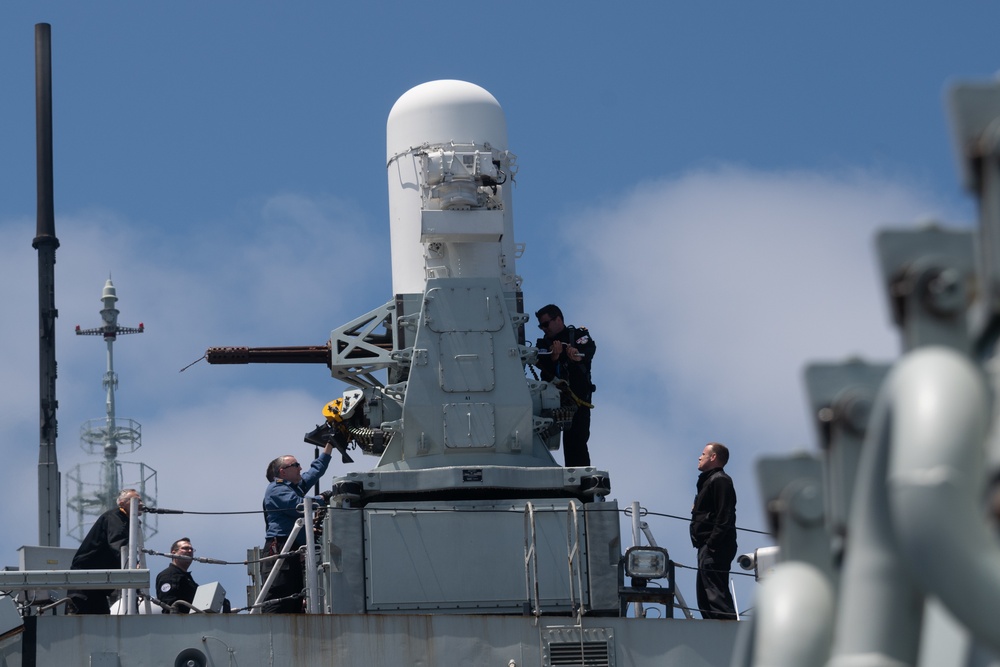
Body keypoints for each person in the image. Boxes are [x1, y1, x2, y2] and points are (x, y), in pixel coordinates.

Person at [261, 441, 335, 613]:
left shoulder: (293, 487)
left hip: (293, 552)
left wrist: (329, 446)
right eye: (296, 465)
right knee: (278, 597)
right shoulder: (276, 489)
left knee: (294, 597)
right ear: (282, 471)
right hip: (280, 549)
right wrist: (322, 498)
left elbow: (315, 472)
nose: (300, 468)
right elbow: (298, 506)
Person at [534, 304, 596, 467]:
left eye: (546, 324)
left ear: (558, 319)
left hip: (579, 398)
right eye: (541, 326)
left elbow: (589, 350)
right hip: (555, 399)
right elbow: (543, 368)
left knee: (576, 440)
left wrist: (577, 357)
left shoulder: (577, 335)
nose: (543, 329)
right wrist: (554, 357)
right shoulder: (542, 344)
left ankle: (578, 476)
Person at [68, 488, 142, 615]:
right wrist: (132, 563)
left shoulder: (127, 521)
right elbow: (118, 541)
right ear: (122, 503)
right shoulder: (115, 517)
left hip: (97, 588)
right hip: (84, 585)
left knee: (103, 625)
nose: (140, 503)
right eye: (135, 500)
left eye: (140, 501)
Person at [689, 442, 738, 620]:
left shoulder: (720, 480)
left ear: (713, 457)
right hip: (706, 547)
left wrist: (712, 544)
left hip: (715, 547)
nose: (699, 457)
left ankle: (728, 632)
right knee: (704, 597)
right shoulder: (708, 482)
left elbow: (725, 515)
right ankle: (714, 633)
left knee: (715, 594)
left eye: (703, 453)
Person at [155, 537, 199, 613]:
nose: (189, 551)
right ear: (173, 553)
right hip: (179, 622)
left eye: (191, 549)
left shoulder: (188, 579)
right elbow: (170, 605)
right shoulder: (168, 575)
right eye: (185, 548)